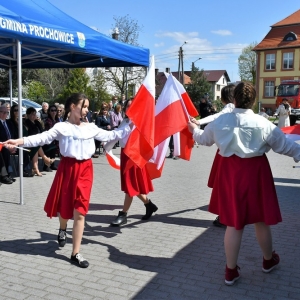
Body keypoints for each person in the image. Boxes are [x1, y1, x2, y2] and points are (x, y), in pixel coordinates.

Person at [188, 82, 300, 286]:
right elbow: (284, 146)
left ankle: (230, 271)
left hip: (230, 173)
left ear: (234, 99)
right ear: (253, 100)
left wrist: (193, 128)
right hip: (256, 172)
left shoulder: (220, 121)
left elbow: (203, 140)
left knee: (233, 222)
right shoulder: (262, 122)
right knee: (260, 220)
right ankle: (268, 261)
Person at [3, 93, 131, 268]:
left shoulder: (90, 127)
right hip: (67, 169)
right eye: (84, 106)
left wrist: (133, 123)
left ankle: (75, 252)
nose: (86, 109)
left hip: (85, 170)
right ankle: (62, 229)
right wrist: (18, 141)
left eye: (87, 106)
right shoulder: (61, 127)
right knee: (65, 208)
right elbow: (41, 138)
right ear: (72, 107)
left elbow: (112, 135)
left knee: (80, 210)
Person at [191, 84, 235, 227]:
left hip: (226, 153)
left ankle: (225, 216)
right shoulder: (241, 110)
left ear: (223, 98)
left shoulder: (229, 109)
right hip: (236, 153)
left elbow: (217, 116)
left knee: (225, 187)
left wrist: (198, 122)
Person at [109, 99, 158, 227]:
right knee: (131, 186)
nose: (130, 108)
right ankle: (149, 205)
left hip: (134, 156)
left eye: (132, 106)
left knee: (130, 186)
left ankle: (123, 215)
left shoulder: (140, 122)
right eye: (127, 106)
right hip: (125, 155)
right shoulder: (124, 121)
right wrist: (106, 148)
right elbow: (117, 136)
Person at [24, 107, 54, 176]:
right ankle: (44, 160)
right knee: (36, 146)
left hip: (39, 141)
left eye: (35, 114)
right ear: (28, 115)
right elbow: (30, 133)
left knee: (49, 145)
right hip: (29, 142)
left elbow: (42, 131)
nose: (34, 116)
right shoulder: (26, 122)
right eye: (32, 114)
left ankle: (36, 168)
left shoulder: (37, 122)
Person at [6, 105, 34, 177]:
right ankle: (22, 169)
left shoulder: (22, 121)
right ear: (12, 111)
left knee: (34, 147)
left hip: (24, 141)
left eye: (18, 110)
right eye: (15, 110)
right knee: (24, 150)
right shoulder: (9, 122)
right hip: (15, 143)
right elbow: (12, 134)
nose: (17, 112)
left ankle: (33, 167)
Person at [0, 104, 16, 183]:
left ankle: (8, 174)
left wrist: (13, 145)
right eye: (2, 112)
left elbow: (12, 135)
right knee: (5, 151)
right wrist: (7, 146)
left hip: (10, 144)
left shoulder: (9, 123)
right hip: (2, 145)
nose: (4, 114)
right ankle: (4, 175)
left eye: (6, 112)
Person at [43, 104, 59, 171]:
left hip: (55, 139)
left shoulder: (57, 120)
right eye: (52, 110)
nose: (54, 112)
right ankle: (46, 166)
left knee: (53, 152)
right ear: (49, 112)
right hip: (49, 139)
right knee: (48, 152)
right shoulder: (48, 120)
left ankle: (52, 165)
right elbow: (49, 129)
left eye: (55, 110)